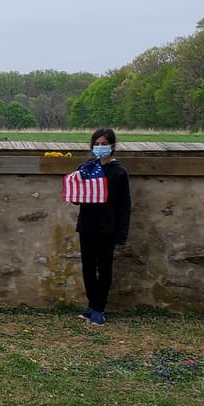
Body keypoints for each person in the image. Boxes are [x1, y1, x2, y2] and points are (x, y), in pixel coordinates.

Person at [75, 128, 131, 326]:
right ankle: (91, 305)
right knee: (88, 268)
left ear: (112, 146)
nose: (100, 148)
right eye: (97, 144)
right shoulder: (87, 168)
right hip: (87, 225)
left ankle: (100, 308)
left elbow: (124, 205)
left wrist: (121, 232)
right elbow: (78, 196)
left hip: (108, 227)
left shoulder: (119, 172)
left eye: (104, 144)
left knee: (104, 269)